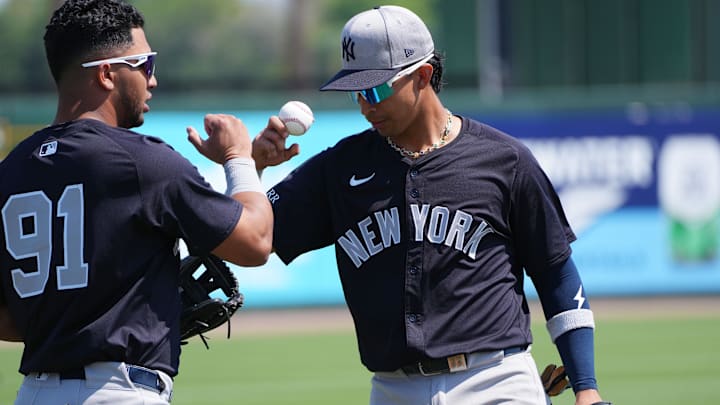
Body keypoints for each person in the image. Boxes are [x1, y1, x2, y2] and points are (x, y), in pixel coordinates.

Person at [228, 5, 612, 405]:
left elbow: (556, 273)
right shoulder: (338, 168)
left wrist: (586, 388)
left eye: (375, 89)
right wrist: (248, 167)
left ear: (423, 76)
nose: (364, 104)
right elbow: (248, 238)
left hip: (496, 381)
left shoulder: (504, 161)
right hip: (394, 389)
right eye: (355, 91)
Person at [0, 0, 272, 404]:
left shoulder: (10, 170)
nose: (153, 80)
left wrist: (73, 323)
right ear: (107, 74)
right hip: (118, 393)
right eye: (144, 65)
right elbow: (255, 241)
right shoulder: (142, 162)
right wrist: (240, 160)